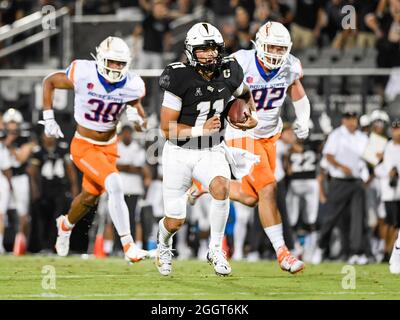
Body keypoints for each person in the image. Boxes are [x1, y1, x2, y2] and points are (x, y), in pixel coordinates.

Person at [156, 22, 258, 276]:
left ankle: (215, 248)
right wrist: (201, 130)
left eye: (214, 49)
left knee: (221, 187)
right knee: (175, 220)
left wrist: (248, 117)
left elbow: (244, 95)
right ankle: (163, 241)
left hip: (211, 149)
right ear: (191, 51)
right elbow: (166, 129)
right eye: (203, 49)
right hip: (179, 150)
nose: (210, 54)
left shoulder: (229, 71)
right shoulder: (178, 76)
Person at [40, 36, 148, 263]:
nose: (116, 67)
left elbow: (142, 122)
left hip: (109, 147)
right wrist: (48, 117)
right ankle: (128, 245)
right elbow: (49, 81)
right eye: (112, 61)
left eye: (121, 63)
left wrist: (136, 118)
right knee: (115, 184)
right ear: (100, 59)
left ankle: (65, 224)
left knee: (89, 197)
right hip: (84, 145)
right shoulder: (83, 72)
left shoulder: (132, 84)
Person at [223, 21, 309, 274]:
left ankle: (206, 184)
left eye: (280, 48)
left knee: (252, 198)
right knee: (269, 189)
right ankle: (283, 253)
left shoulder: (290, 66)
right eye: (271, 46)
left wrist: (303, 119)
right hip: (241, 133)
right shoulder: (240, 61)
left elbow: (299, 95)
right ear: (258, 44)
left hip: (270, 136)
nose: (275, 52)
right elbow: (219, 91)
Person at [312, 111, 370, 265]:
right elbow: (328, 156)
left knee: (357, 218)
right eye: (349, 119)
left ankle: (356, 252)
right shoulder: (337, 135)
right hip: (339, 182)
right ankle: (320, 247)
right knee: (331, 217)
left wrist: (376, 157)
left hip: (357, 182)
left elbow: (367, 158)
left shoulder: (362, 138)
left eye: (354, 119)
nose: (352, 122)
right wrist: (341, 166)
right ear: (344, 120)